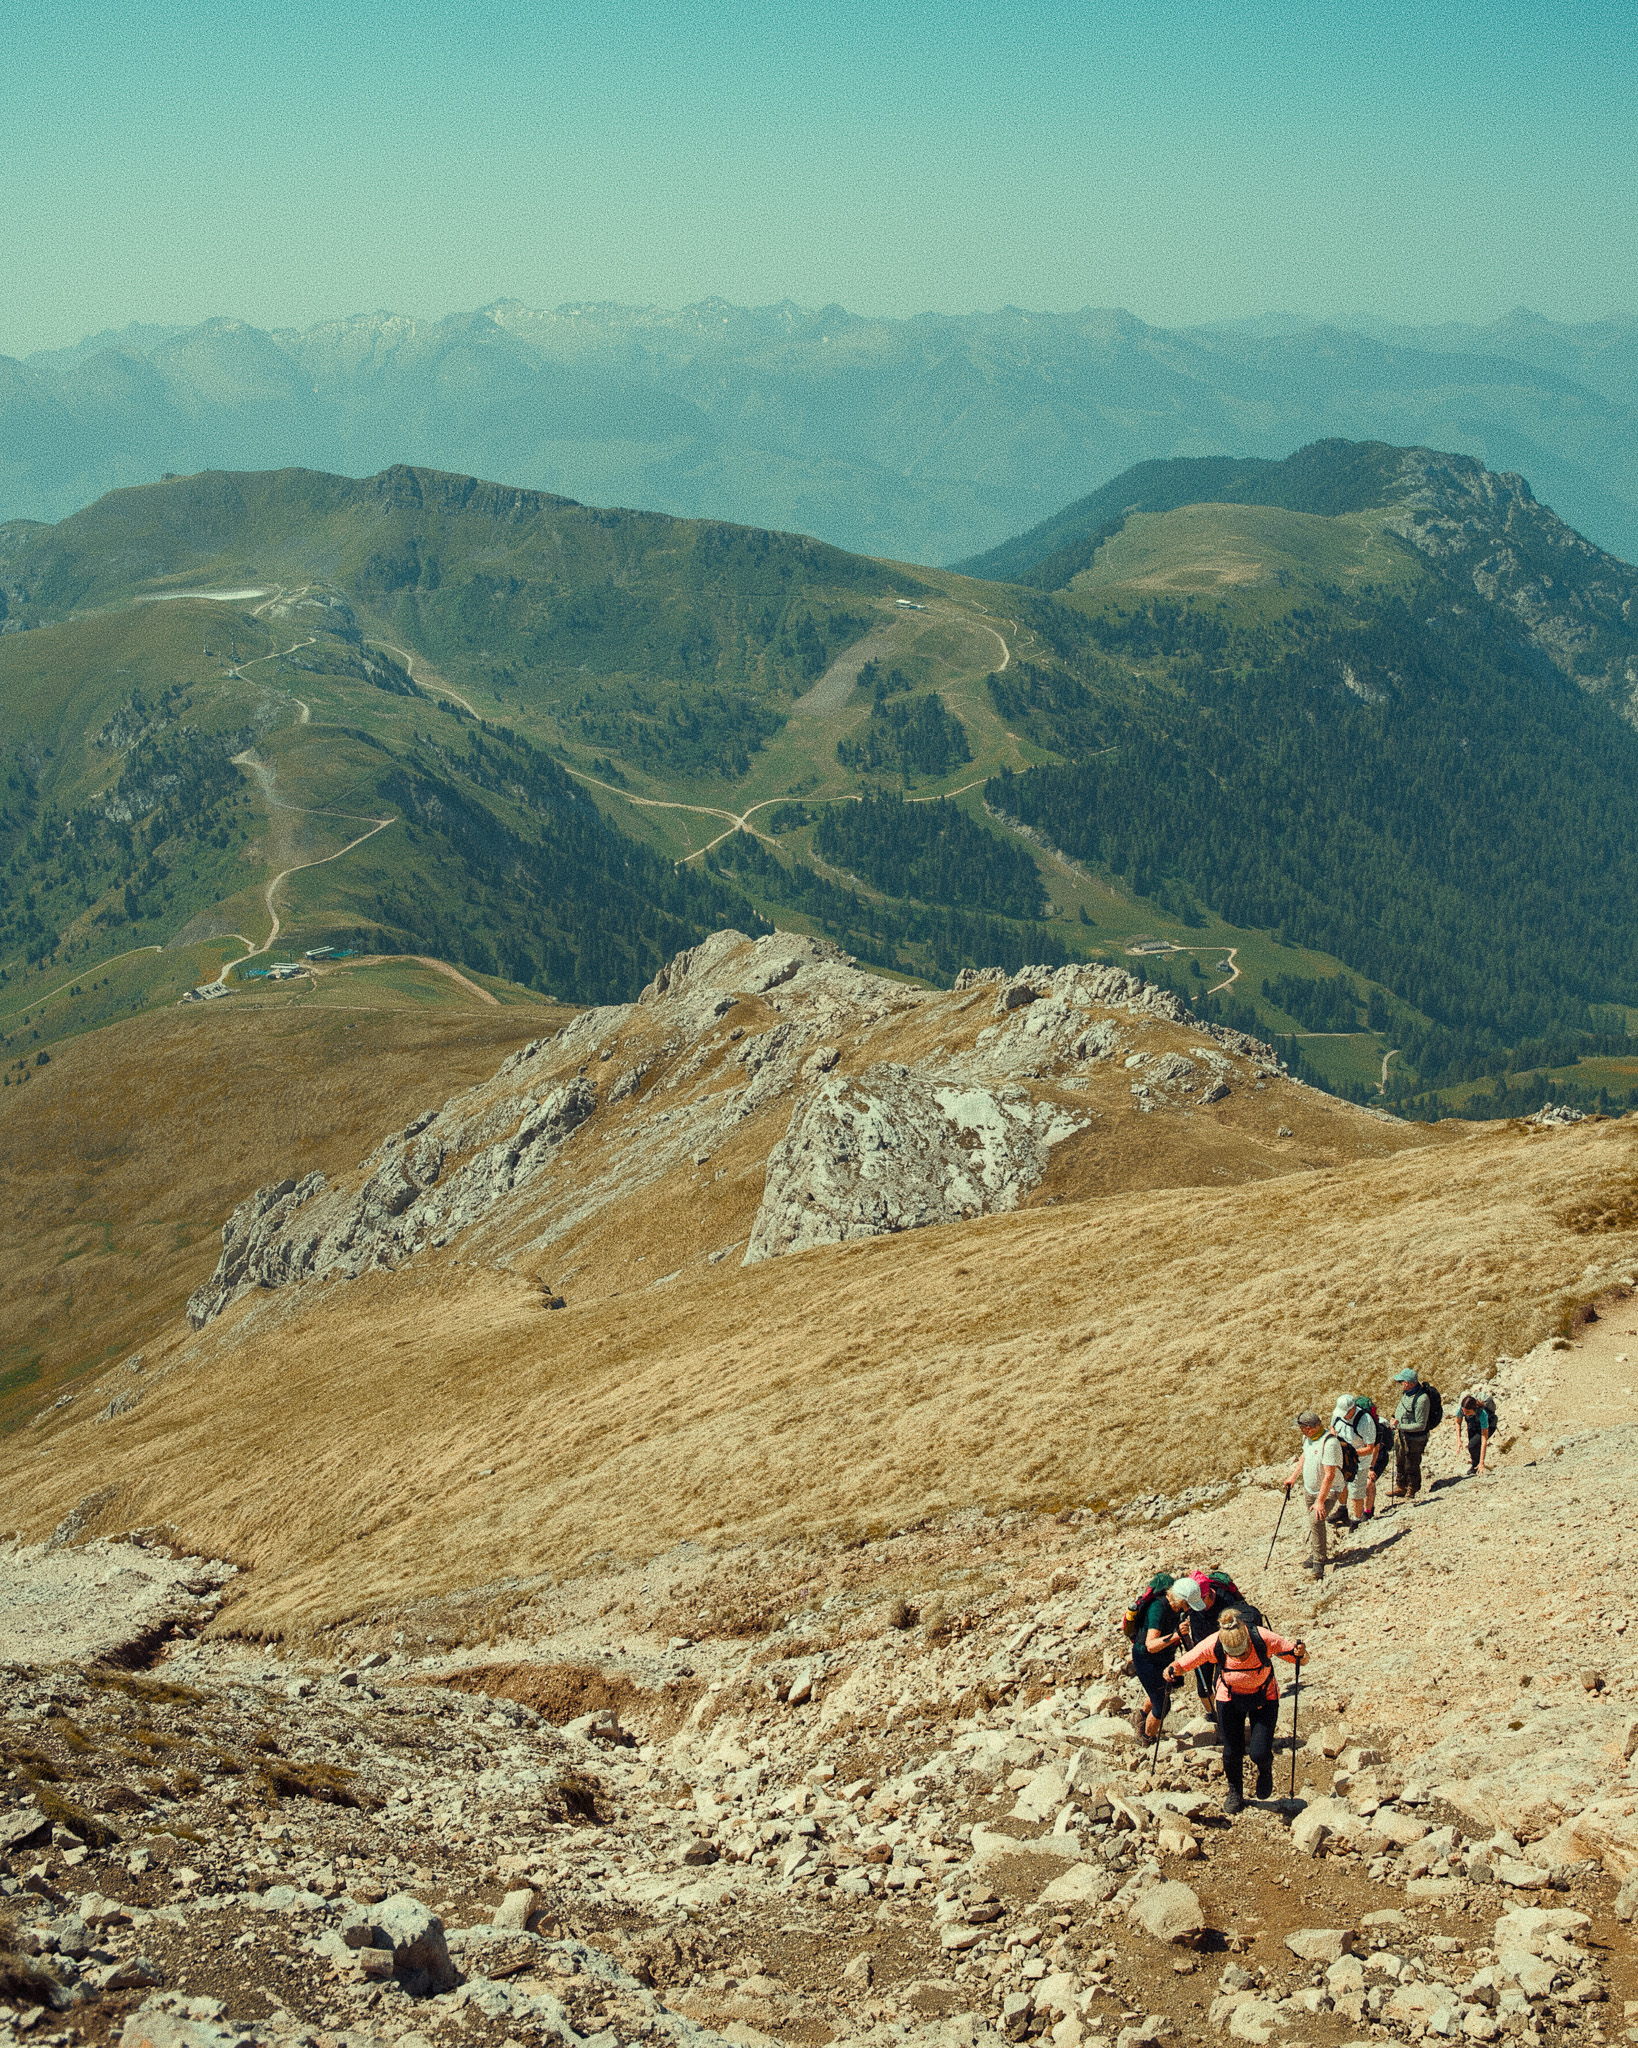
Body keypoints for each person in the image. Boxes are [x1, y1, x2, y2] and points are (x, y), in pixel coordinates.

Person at [1166, 1608, 1307, 1813]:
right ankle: (1235, 1792)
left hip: (1265, 1697)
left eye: (1241, 1651)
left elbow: (1298, 1658)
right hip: (1229, 1698)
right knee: (1232, 1751)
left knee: (1258, 1752)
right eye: (1234, 1654)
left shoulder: (1262, 1637)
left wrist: (1300, 1653)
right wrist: (1174, 1668)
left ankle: (1265, 1770)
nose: (1239, 1658)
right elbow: (1192, 1658)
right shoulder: (1215, 1642)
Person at [1286, 1411, 1344, 1579]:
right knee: (1315, 1523)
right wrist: (1293, 1476)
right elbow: (1305, 1456)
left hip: (1328, 1490)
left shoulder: (1330, 1443)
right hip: (1310, 1488)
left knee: (1316, 1520)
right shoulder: (1308, 1439)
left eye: (1302, 1428)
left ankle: (1319, 1562)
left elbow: (1330, 1475)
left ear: (1309, 1428)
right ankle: (1317, 1553)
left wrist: (1320, 1501)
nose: (1301, 1431)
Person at [1129, 1573, 1184, 1743]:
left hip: (1163, 1656)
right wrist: (1176, 1636)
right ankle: (1146, 1738)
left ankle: (1140, 1716)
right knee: (1162, 1705)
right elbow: (1150, 1645)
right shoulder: (1157, 1609)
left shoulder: (1177, 1607)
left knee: (1160, 1691)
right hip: (1146, 1659)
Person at [1330, 1395, 1377, 1528]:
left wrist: (1350, 1454)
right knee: (1340, 1485)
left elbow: (1369, 1448)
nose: (1343, 1416)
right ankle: (1342, 1510)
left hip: (1359, 1463)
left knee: (1356, 1492)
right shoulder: (1338, 1414)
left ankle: (1357, 1521)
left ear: (1353, 1409)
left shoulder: (1365, 1421)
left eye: (1346, 1414)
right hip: (1341, 1460)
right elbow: (1332, 1427)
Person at [1390, 1367, 1433, 1500]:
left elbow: (1421, 1425)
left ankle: (1412, 1489)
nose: (1400, 1384)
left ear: (1408, 1383)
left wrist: (1399, 1425)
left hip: (1415, 1438)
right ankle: (1401, 1486)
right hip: (1402, 1435)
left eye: (1401, 1382)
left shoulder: (1422, 1399)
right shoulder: (1407, 1393)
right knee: (1400, 1460)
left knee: (1412, 1463)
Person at [1456, 1392, 1496, 1475]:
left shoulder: (1482, 1414)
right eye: (1464, 1411)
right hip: (1473, 1425)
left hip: (1489, 1426)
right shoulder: (1461, 1410)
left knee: (1473, 1445)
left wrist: (1482, 1462)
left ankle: (1479, 1465)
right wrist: (1459, 1440)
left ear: (1474, 1409)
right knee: (1472, 1446)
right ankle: (1475, 1466)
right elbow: (1458, 1422)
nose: (1465, 1414)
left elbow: (1484, 1440)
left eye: (1468, 1411)